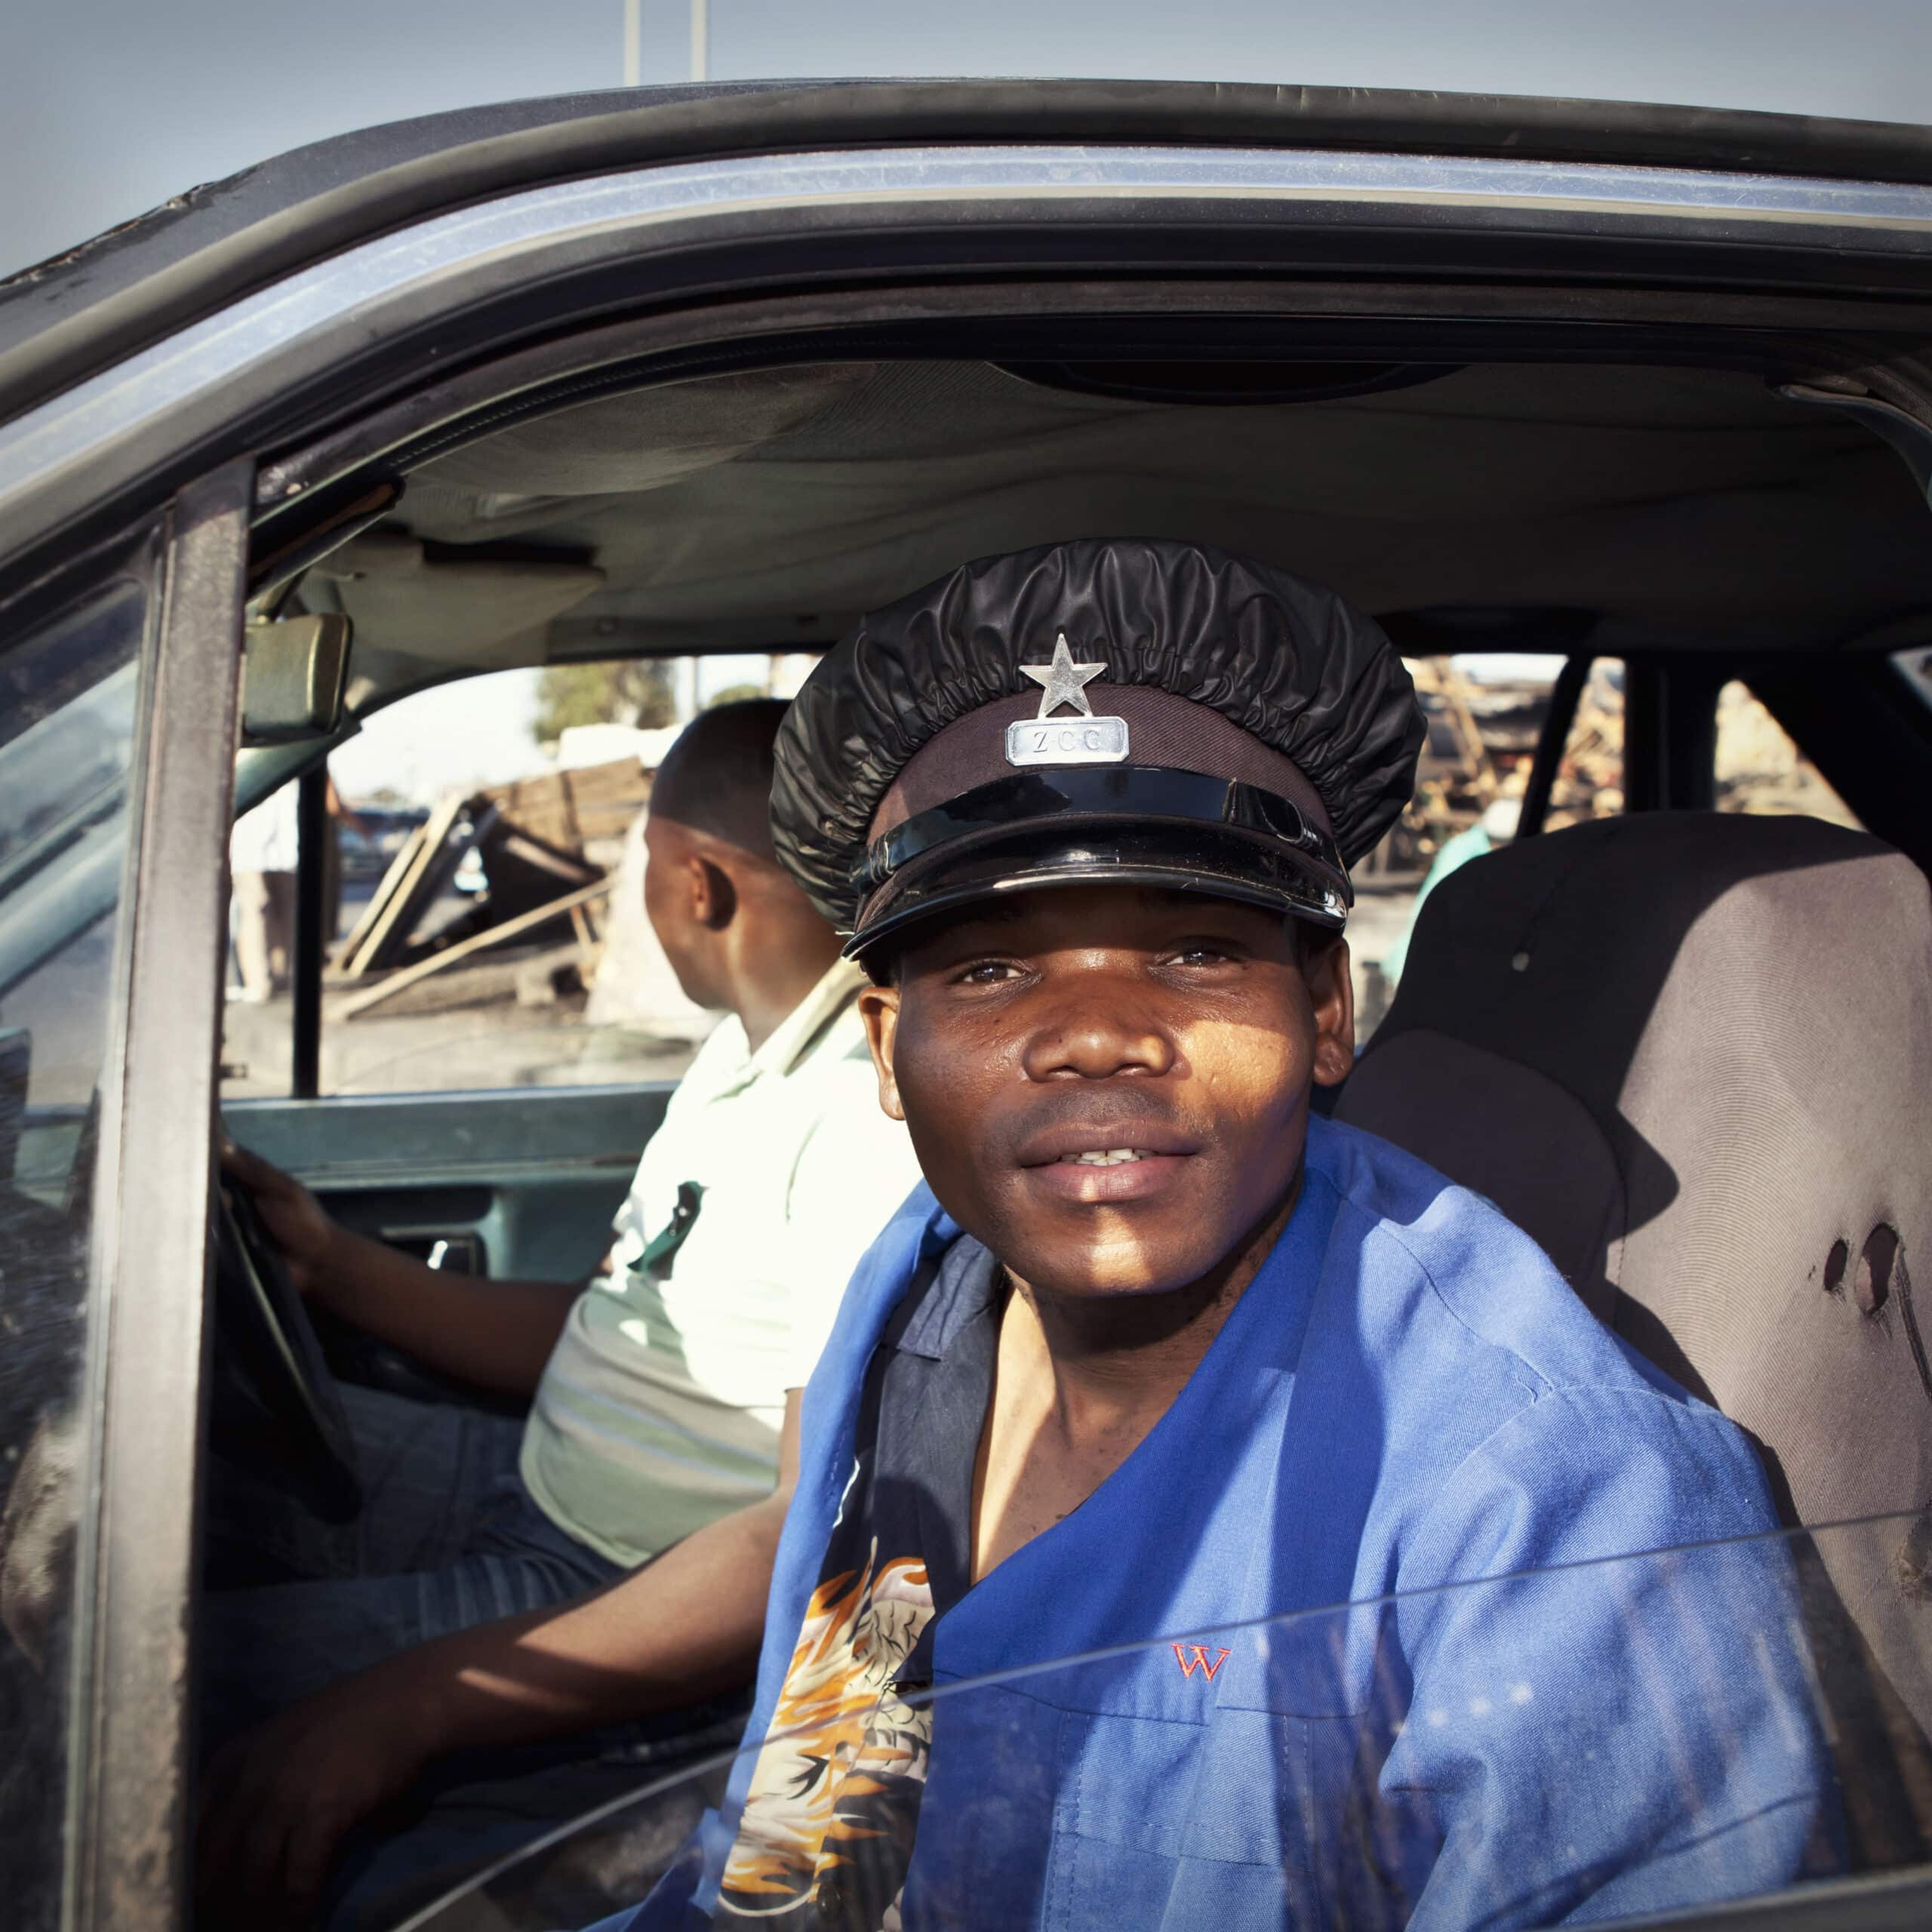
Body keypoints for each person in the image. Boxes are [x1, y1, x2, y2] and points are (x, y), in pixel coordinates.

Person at [598, 538, 1832, 1931]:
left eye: (1194, 949)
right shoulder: (922, 1289)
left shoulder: (1558, 1503)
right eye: (992, 965)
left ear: (1325, 1011)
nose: (1096, 1034)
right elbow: (820, 1804)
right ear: (888, 1051)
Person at [198, 700, 924, 1922]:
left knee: (140, 1689)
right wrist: (328, 1267)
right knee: (174, 1485)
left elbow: (811, 1537)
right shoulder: (743, 1055)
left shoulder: (861, 1120)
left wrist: (411, 1700)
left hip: (622, 1577)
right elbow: (611, 1330)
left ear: (697, 884)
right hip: (534, 1472)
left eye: (641, 870)